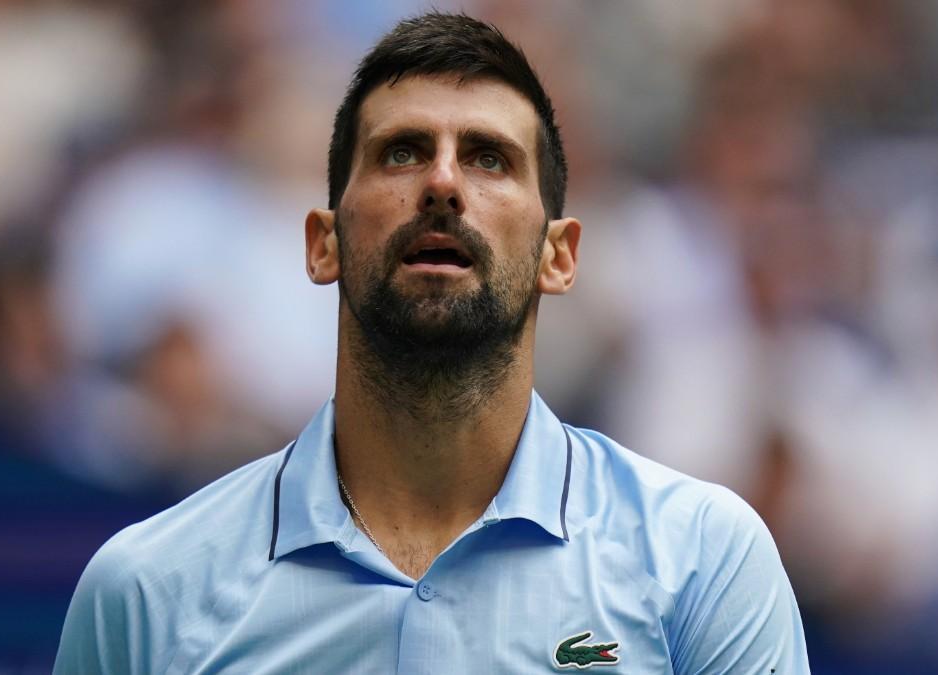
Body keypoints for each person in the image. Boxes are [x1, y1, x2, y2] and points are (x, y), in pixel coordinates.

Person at [53, 12, 809, 673]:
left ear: (560, 254)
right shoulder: (148, 590)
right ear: (324, 244)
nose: (444, 183)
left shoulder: (703, 561)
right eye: (403, 152)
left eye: (489, 158)